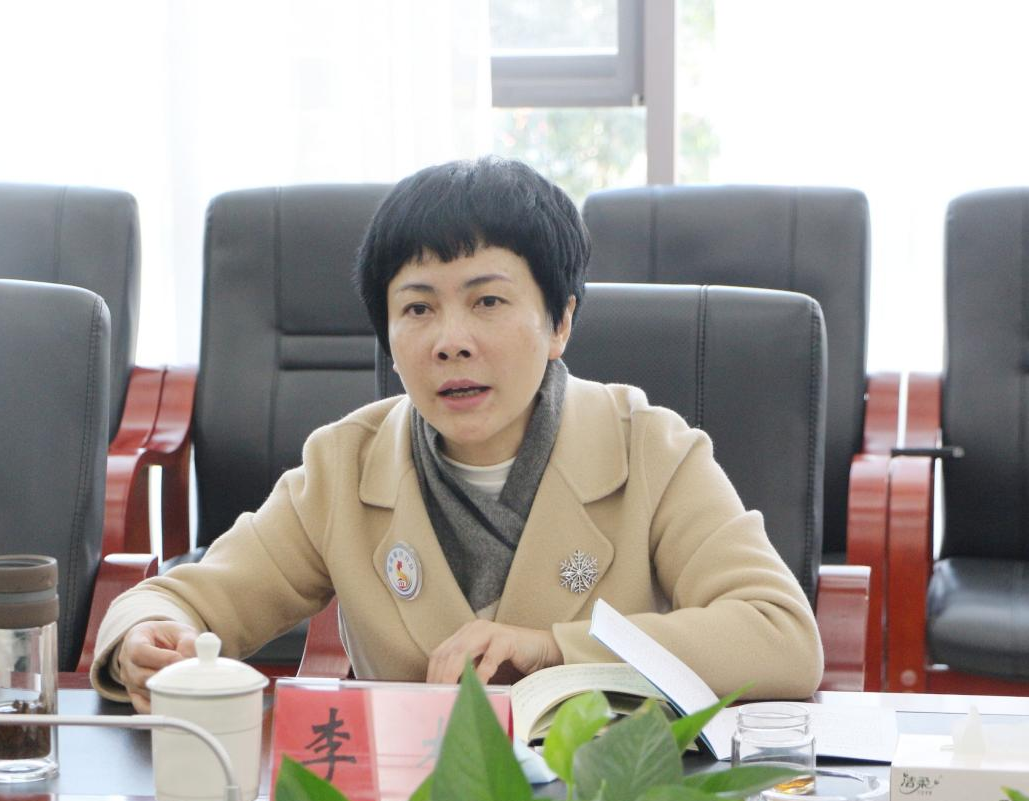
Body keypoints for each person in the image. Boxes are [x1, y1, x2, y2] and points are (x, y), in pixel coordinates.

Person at [91, 156, 823, 712]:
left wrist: (554, 650)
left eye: (488, 302)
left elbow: (780, 636)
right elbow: (185, 600)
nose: (451, 341)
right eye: (417, 309)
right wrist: (142, 640)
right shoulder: (345, 465)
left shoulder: (651, 450)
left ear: (560, 322)